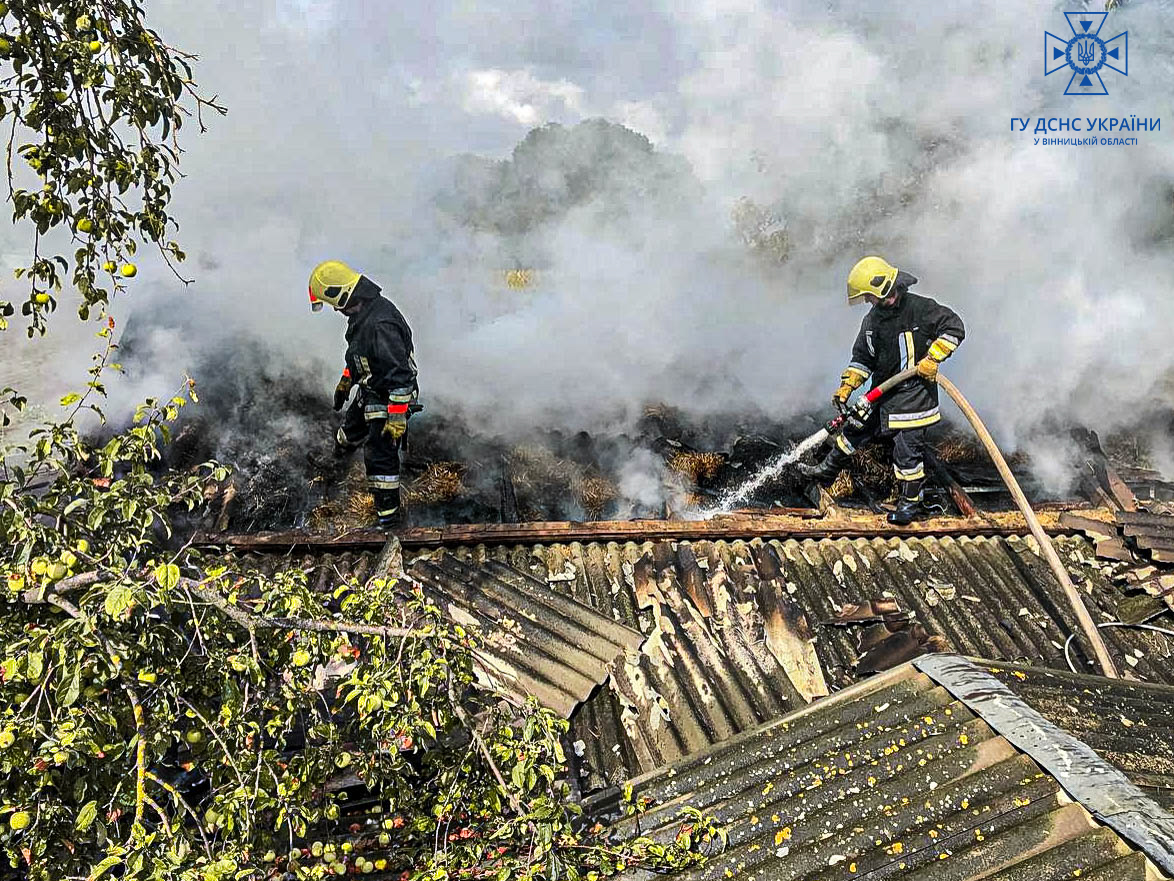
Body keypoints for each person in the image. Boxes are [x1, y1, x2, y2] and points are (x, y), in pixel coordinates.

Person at [798, 256, 964, 525]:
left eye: (869, 296)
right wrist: (848, 385)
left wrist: (933, 357)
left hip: (914, 399)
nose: (867, 301)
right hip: (882, 394)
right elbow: (862, 358)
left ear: (883, 289)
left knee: (906, 454)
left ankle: (910, 504)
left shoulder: (921, 309)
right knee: (855, 428)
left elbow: (955, 328)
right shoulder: (873, 321)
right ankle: (827, 471)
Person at [308, 260, 418, 527]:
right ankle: (337, 462)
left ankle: (389, 519)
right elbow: (360, 357)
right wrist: (346, 382)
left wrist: (396, 417)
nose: (336, 310)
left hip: (391, 396)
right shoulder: (362, 316)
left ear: (342, 294)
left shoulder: (381, 324)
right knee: (350, 429)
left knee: (380, 455)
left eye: (334, 304)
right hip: (372, 388)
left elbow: (400, 375)